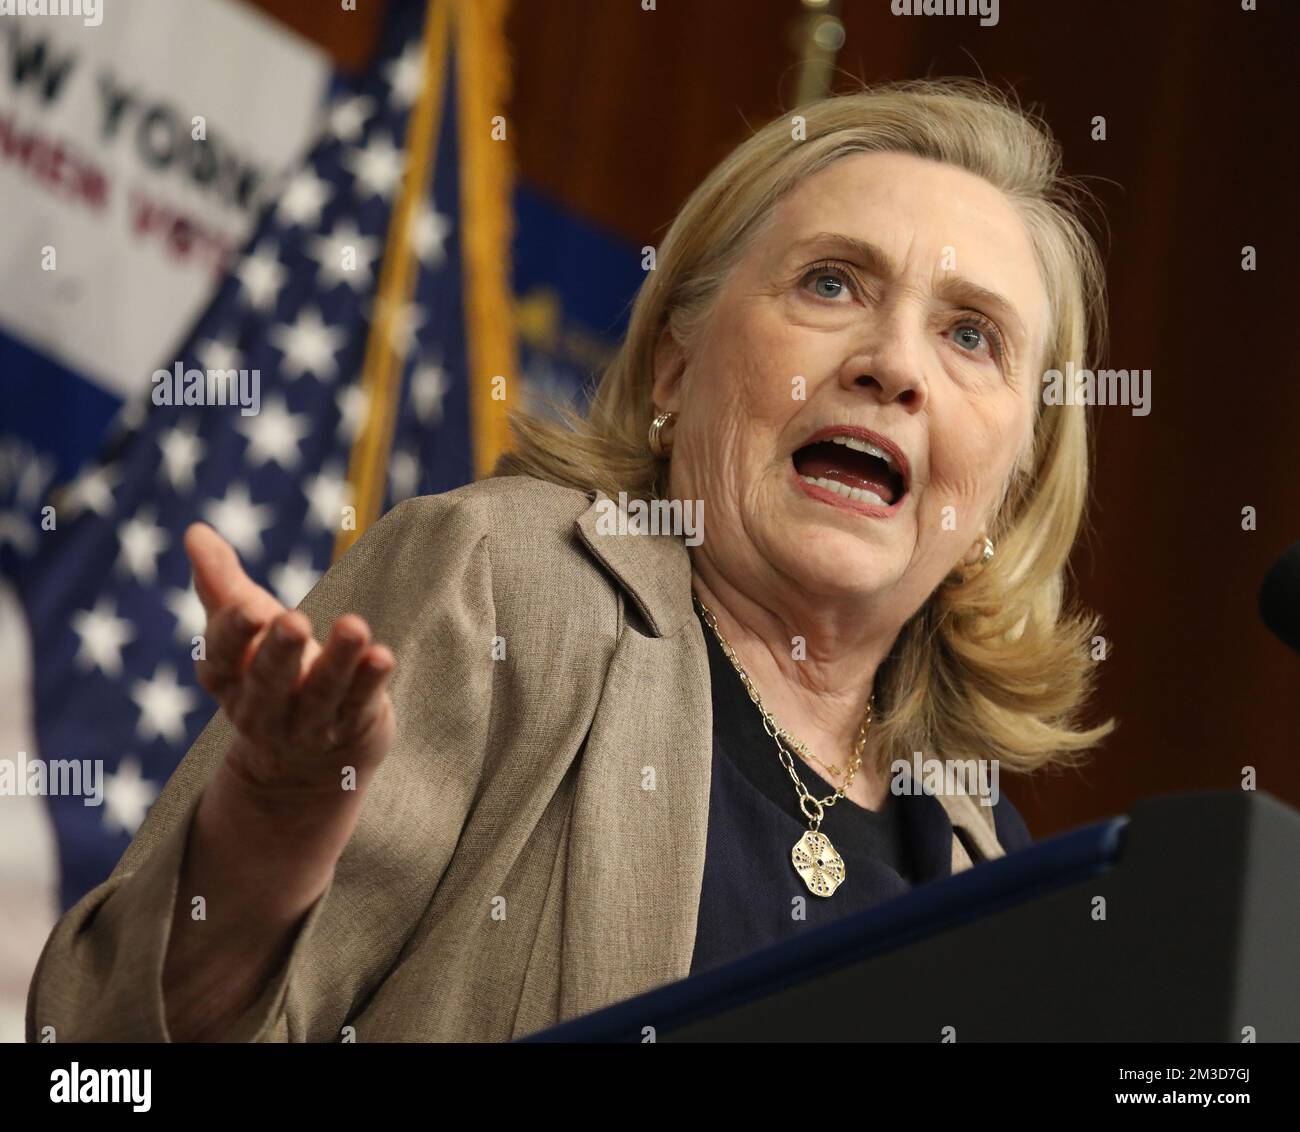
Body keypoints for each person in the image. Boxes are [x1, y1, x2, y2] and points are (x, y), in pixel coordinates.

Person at [27, 77, 1112, 1043]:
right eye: (831, 284)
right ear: (673, 369)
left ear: (1006, 489)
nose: (893, 365)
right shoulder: (502, 584)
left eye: (972, 336)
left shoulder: (992, 859)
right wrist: (264, 838)